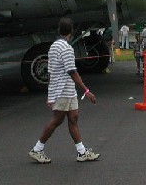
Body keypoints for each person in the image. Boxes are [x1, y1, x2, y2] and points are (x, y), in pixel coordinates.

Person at [29, 18, 99, 163]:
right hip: (63, 90)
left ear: (59, 31)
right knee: (57, 120)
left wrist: (50, 93)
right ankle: (37, 149)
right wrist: (87, 91)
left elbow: (51, 72)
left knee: (73, 118)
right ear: (72, 32)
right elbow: (72, 72)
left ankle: (81, 152)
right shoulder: (66, 49)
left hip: (66, 90)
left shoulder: (54, 46)